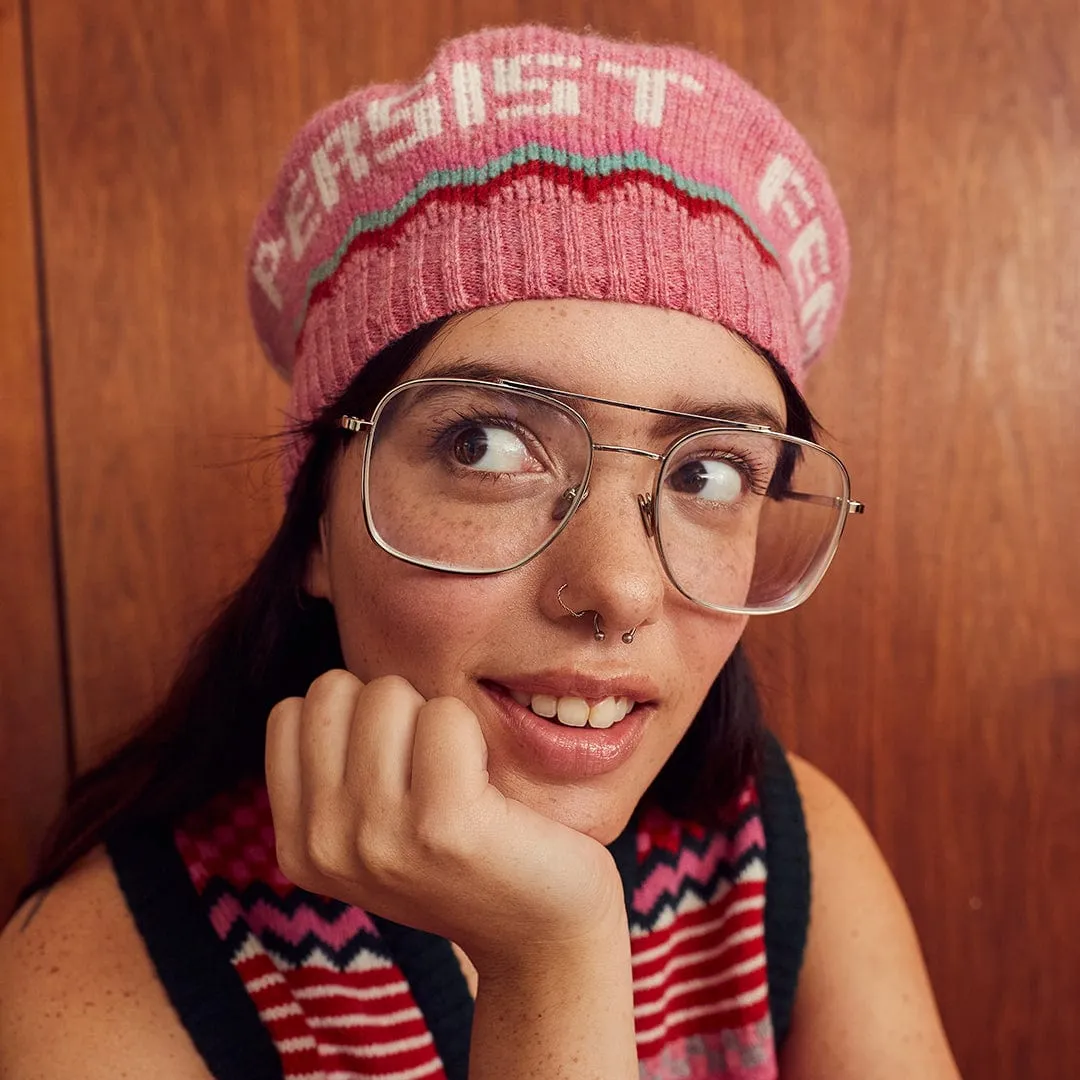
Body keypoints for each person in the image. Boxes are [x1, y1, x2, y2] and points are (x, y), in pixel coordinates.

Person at [0, 24, 961, 1080]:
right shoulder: (99, 972)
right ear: (322, 523)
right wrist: (552, 962)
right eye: (485, 444)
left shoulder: (781, 856)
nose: (620, 589)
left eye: (707, 474)